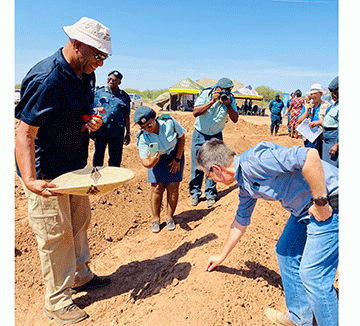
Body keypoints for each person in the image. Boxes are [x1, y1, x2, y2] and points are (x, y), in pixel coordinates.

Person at [15, 17, 113, 324]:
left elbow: (77, 116)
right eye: (98, 55)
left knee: (79, 223)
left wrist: (90, 123)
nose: (101, 63)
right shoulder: (48, 79)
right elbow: (24, 133)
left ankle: (81, 275)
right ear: (77, 44)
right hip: (47, 174)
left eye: (105, 58)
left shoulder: (85, 74)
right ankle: (56, 302)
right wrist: (30, 180)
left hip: (75, 168)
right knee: (56, 236)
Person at [198, 138, 338, 326]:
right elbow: (240, 222)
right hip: (304, 211)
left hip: (331, 202)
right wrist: (221, 257)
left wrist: (321, 202)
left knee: (313, 274)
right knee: (285, 250)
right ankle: (300, 318)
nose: (211, 180)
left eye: (208, 176)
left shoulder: (256, 160)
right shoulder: (245, 184)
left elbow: (310, 155)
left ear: (216, 169)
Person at [134, 106, 186, 233]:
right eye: (143, 127)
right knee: (157, 188)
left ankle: (170, 217)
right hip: (156, 160)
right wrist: (152, 161)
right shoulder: (143, 137)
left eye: (149, 125)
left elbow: (182, 138)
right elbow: (145, 162)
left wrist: (177, 159)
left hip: (175, 156)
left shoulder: (170, 123)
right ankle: (156, 219)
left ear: (154, 118)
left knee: (173, 187)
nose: (147, 129)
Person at [189, 77, 238, 208]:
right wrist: (212, 101)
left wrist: (228, 105)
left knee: (214, 166)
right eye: (224, 91)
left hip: (216, 135)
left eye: (229, 91)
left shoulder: (230, 99)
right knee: (197, 165)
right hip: (200, 134)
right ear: (218, 88)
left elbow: (235, 119)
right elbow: (195, 112)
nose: (226, 93)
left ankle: (210, 194)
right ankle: (195, 194)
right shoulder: (205, 94)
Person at [92, 70, 131, 167]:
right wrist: (92, 130)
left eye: (114, 80)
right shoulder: (99, 93)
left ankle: (113, 180)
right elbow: (92, 111)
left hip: (117, 132)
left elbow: (126, 116)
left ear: (119, 82)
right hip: (101, 130)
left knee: (115, 158)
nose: (110, 81)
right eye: (109, 79)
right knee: (98, 156)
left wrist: (128, 132)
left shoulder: (124, 97)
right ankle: (96, 179)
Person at [297, 84, 331, 158]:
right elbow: (299, 121)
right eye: (311, 94)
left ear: (321, 94)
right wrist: (306, 111)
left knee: (320, 159)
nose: (313, 96)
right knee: (309, 158)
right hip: (308, 138)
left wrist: (319, 123)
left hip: (321, 139)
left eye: (315, 93)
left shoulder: (327, 106)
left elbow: (330, 123)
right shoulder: (307, 106)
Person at [321, 77, 339, 167]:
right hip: (327, 140)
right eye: (332, 93)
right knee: (327, 167)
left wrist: (337, 144)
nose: (333, 96)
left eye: (336, 93)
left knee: (333, 169)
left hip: (333, 141)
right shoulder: (334, 105)